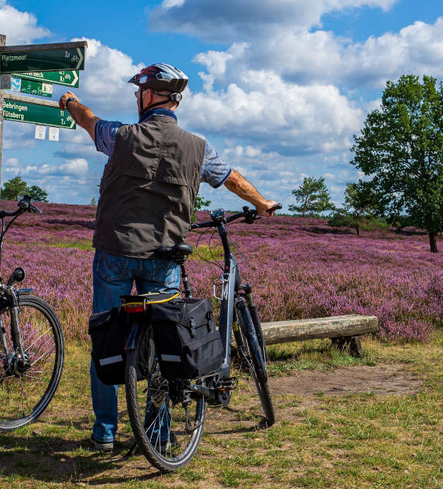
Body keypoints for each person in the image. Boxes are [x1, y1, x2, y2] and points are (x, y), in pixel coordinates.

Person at [59, 64, 278, 452]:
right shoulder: (199, 147)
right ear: (174, 100)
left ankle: (105, 433)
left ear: (147, 97)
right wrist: (261, 203)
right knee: (164, 338)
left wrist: (71, 101)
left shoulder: (122, 136)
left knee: (106, 338)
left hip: (116, 251)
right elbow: (231, 177)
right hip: (164, 256)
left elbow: (88, 121)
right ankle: (157, 432)